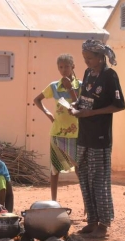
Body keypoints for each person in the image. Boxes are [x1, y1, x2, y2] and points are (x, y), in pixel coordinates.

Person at [71, 40, 125, 238]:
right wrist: (75, 107)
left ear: (101, 57)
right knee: (83, 174)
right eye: (84, 58)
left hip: (100, 136)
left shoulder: (110, 76)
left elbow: (118, 105)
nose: (86, 62)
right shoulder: (87, 74)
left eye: (90, 58)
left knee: (99, 179)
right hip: (84, 133)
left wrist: (92, 113)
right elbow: (85, 97)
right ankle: (92, 220)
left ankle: (104, 223)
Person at [34, 54, 81, 201]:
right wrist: (48, 114)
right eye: (60, 67)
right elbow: (37, 100)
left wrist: (70, 89)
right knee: (54, 169)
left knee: (80, 169)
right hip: (57, 133)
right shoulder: (54, 86)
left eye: (67, 66)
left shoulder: (81, 85)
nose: (63, 70)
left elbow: (80, 105)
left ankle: (87, 205)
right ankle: (53, 202)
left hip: (77, 133)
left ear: (73, 67)